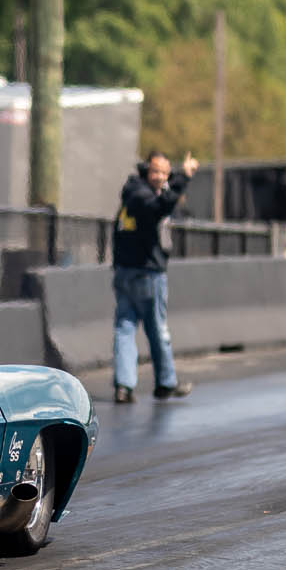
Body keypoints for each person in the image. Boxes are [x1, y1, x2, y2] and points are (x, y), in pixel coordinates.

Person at [112, 151, 197, 403]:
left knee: (125, 328)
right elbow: (159, 207)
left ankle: (124, 386)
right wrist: (184, 178)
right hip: (145, 274)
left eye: (165, 173)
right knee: (156, 328)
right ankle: (165, 382)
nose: (161, 178)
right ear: (146, 171)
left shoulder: (133, 192)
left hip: (125, 272)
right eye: (156, 172)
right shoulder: (141, 195)